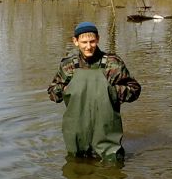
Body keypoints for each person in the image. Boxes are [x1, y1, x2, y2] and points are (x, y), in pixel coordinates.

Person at [48, 21, 141, 160]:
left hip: (106, 131)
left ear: (98, 39)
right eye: (84, 42)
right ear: (76, 41)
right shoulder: (68, 66)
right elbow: (53, 93)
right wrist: (65, 89)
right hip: (77, 134)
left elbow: (135, 89)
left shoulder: (112, 63)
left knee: (112, 168)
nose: (88, 46)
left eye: (92, 41)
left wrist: (112, 91)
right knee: (75, 169)